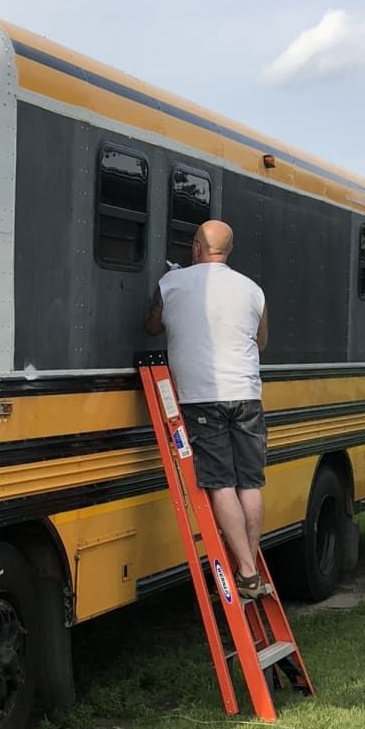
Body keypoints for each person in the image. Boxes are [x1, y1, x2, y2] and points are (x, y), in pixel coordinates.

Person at [145, 219, 270, 599]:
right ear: (228, 251)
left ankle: (246, 570)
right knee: (250, 483)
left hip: (203, 397)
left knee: (220, 484)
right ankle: (248, 565)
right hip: (247, 395)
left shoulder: (172, 284)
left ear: (197, 246)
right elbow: (260, 342)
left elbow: (152, 326)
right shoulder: (253, 290)